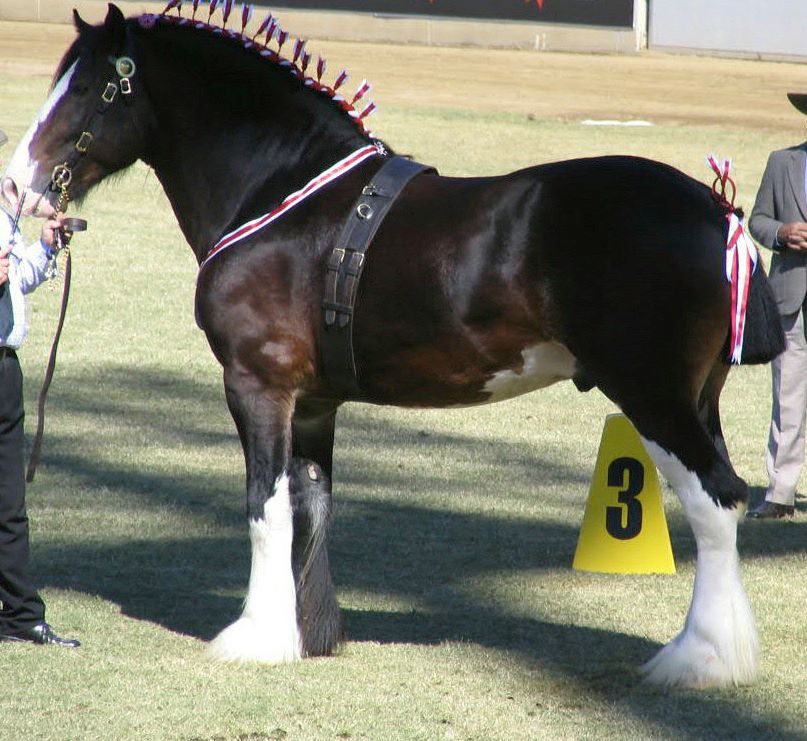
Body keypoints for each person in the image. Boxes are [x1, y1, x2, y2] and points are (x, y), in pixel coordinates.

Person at [0, 127, 80, 646]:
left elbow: (17, 278)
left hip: (4, 367)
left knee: (8, 504)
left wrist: (45, 248)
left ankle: (22, 616)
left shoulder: (2, 208)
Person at [747, 93, 807, 520]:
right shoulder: (781, 162)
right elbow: (757, 221)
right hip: (790, 299)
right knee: (787, 399)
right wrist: (781, 232)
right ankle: (780, 495)